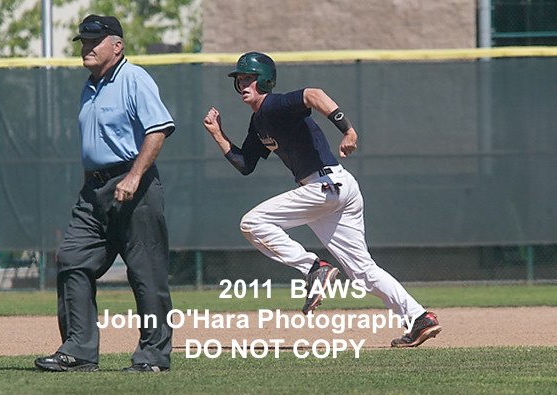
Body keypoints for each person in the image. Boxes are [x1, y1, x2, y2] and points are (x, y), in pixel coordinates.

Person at [202, 52, 441, 348]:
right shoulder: (259, 121)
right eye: (240, 79)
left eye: (249, 77)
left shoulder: (274, 105)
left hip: (324, 186)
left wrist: (348, 130)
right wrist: (218, 134)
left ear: (265, 80)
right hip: (335, 189)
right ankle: (419, 318)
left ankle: (313, 268)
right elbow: (245, 164)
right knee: (363, 272)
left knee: (252, 223)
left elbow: (314, 95)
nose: (243, 84)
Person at [35, 15, 175, 372]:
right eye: (83, 41)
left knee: (145, 273)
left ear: (117, 45)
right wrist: (91, 183)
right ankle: (79, 351)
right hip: (94, 191)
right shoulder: (90, 87)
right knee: (72, 258)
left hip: (134, 185)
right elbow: (93, 145)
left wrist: (133, 176)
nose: (86, 47)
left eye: (94, 41)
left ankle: (153, 357)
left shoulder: (134, 78)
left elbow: (158, 130)